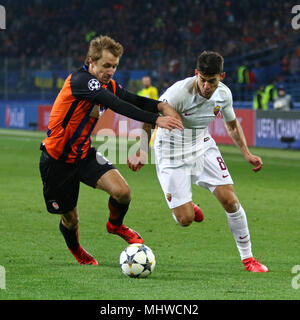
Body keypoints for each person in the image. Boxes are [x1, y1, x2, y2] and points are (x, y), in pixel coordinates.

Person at [39, 35, 183, 266]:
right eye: (106, 65)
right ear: (91, 62)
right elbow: (118, 105)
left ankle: (115, 225)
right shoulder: (81, 81)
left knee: (122, 192)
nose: (111, 71)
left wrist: (160, 105)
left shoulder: (108, 84)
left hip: (83, 154)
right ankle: (77, 250)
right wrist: (156, 119)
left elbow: (132, 99)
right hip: (57, 161)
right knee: (71, 219)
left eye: (115, 66)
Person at [128, 51, 268, 273]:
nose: (206, 86)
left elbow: (232, 125)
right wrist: (142, 150)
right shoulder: (178, 93)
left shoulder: (224, 95)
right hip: (171, 153)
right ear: (196, 74)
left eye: (211, 81)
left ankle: (248, 259)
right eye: (202, 79)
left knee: (231, 201)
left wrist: (247, 154)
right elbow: (149, 114)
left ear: (221, 77)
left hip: (202, 146)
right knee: (185, 220)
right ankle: (187, 206)